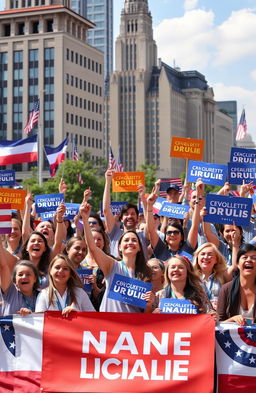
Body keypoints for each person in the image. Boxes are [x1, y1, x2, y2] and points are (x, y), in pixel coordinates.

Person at [80, 202, 154, 313]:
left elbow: (145, 313)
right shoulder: (112, 265)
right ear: (119, 247)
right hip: (110, 326)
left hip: (131, 326)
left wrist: (149, 304)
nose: (130, 242)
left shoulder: (145, 272)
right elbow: (93, 248)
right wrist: (85, 220)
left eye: (134, 240)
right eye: (126, 240)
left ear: (139, 248)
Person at [146, 179, 204, 262]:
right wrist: (149, 205)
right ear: (165, 237)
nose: (172, 235)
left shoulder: (187, 248)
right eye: (169, 233)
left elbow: (194, 226)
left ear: (182, 236)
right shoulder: (160, 250)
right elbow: (151, 230)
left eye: (176, 232)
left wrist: (199, 197)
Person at [102, 169, 149, 258]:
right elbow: (106, 210)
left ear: (138, 218)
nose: (129, 216)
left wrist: (143, 197)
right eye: (126, 214)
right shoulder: (115, 233)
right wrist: (108, 182)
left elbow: (150, 222)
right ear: (121, 218)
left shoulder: (143, 235)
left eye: (133, 214)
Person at [217, 244, 256, 325]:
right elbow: (219, 324)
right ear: (237, 264)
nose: (249, 260)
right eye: (244, 257)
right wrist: (232, 319)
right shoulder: (226, 289)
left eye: (254, 258)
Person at [193, 242, 230, 310]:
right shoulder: (191, 277)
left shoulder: (223, 276)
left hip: (217, 316)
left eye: (210, 254)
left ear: (216, 260)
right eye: (202, 254)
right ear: (197, 257)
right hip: (198, 316)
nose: (206, 257)